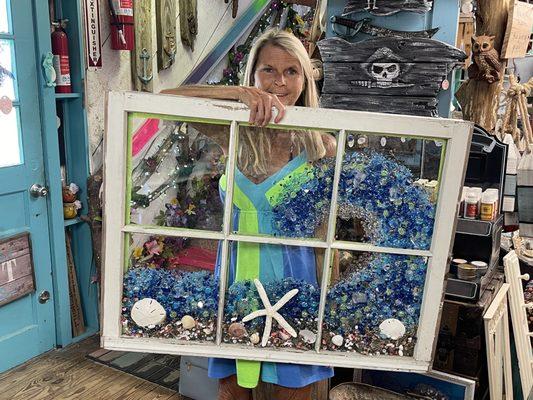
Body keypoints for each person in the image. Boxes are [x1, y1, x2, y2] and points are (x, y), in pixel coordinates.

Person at [162, 28, 335, 400]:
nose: (279, 82)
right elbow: (165, 98)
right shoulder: (232, 131)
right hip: (236, 280)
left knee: (293, 392)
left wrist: (325, 300)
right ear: (252, 73)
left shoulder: (322, 144)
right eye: (268, 70)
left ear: (305, 80)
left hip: (294, 285)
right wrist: (238, 94)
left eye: (292, 71)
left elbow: (324, 233)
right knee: (231, 391)